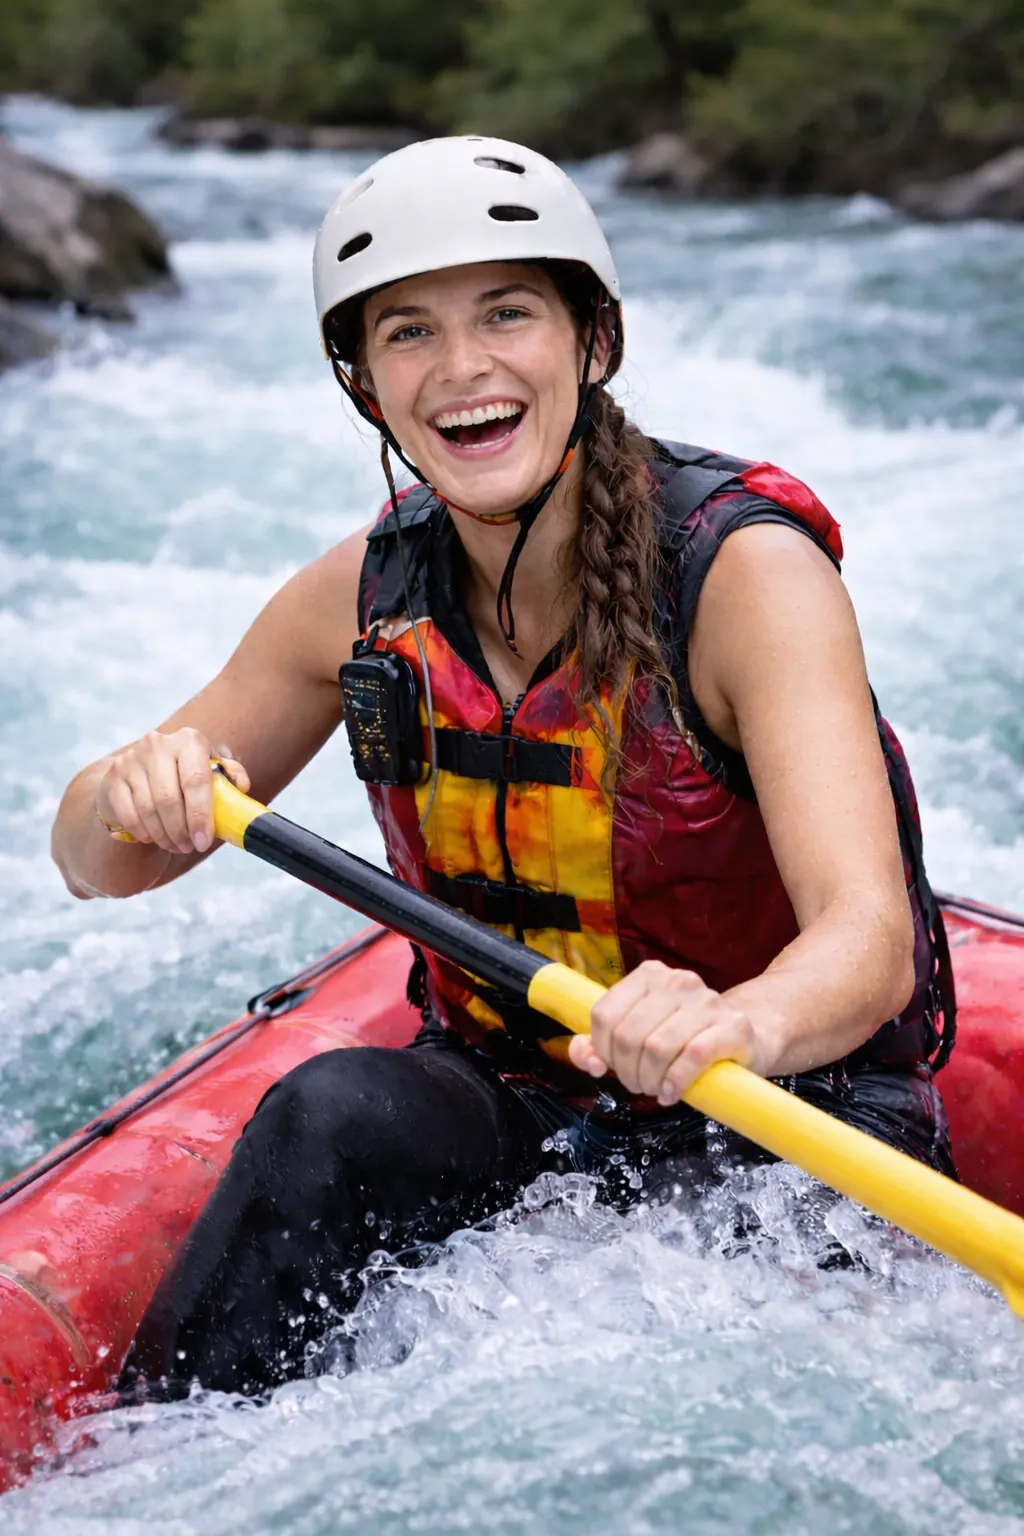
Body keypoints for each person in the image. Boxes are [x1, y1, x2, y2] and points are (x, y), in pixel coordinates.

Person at [51, 136, 956, 1400]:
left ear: (593, 341)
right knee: (329, 1114)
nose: (463, 368)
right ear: (365, 383)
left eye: (508, 313)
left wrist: (734, 1020)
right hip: (520, 1100)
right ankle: (134, 1475)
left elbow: (867, 945)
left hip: (784, 1110)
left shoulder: (743, 580)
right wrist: (125, 791)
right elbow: (94, 862)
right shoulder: (358, 597)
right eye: (408, 332)